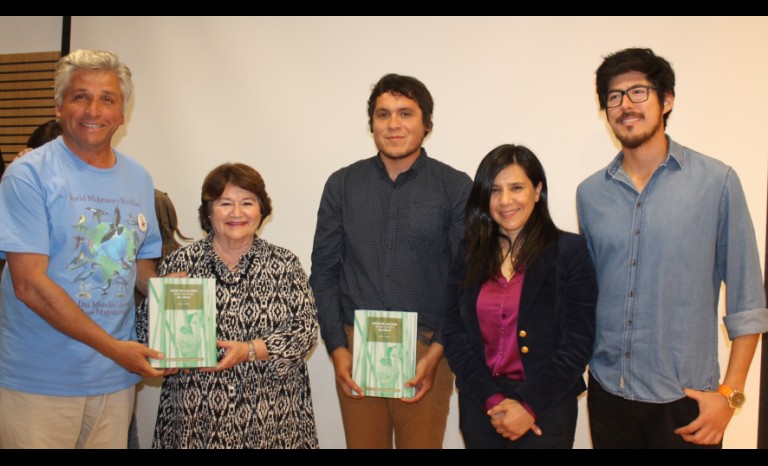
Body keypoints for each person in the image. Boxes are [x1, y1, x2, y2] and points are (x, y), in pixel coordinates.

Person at [577, 47, 768, 449]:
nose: (625, 104)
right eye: (614, 96)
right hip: (609, 395)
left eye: (638, 92)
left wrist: (730, 397)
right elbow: (591, 294)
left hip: (686, 404)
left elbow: (748, 303)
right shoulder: (590, 194)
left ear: (667, 100)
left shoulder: (717, 183)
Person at [0, 49, 166, 448]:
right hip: (40, 380)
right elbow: (29, 285)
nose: (94, 109)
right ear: (59, 106)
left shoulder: (139, 178)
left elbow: (140, 259)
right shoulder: (28, 175)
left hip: (113, 380)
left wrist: (168, 293)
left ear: (122, 113)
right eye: (80, 96)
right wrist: (114, 349)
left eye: (107, 98)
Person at [310, 73, 472, 448]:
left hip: (426, 349)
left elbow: (465, 278)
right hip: (355, 348)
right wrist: (337, 348)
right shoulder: (342, 184)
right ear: (372, 125)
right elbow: (323, 272)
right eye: (383, 115)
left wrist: (437, 353)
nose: (394, 124)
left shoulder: (455, 187)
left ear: (426, 124)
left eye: (405, 113)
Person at [137, 162, 319, 449]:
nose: (237, 213)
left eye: (247, 202)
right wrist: (158, 304)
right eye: (225, 203)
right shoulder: (180, 263)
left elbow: (305, 333)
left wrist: (249, 350)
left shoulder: (285, 264)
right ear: (209, 211)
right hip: (197, 417)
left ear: (261, 210)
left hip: (272, 418)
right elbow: (146, 333)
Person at [441, 144, 597, 449]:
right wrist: (492, 399)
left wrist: (528, 406)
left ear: (538, 191)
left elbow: (578, 343)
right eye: (495, 190)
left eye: (516, 188)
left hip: (546, 408)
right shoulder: (468, 253)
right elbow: (454, 332)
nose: (505, 200)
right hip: (481, 406)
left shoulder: (569, 252)